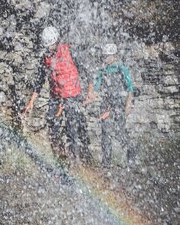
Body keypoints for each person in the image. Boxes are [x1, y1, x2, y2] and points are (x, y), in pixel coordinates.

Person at [24, 26, 92, 165]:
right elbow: (40, 81)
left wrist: (89, 93)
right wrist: (31, 102)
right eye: (47, 46)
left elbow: (87, 72)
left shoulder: (70, 51)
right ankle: (60, 157)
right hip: (56, 96)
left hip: (72, 94)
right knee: (52, 123)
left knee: (71, 128)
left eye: (51, 46)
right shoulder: (45, 58)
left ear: (57, 41)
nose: (49, 49)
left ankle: (76, 161)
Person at [86, 43, 135, 168]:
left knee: (119, 132)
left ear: (114, 56)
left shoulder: (121, 69)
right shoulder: (103, 71)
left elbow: (130, 88)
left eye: (108, 56)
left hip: (120, 104)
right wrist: (89, 98)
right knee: (105, 132)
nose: (105, 58)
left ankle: (131, 154)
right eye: (105, 56)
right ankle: (106, 164)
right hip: (107, 104)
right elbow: (96, 87)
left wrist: (128, 104)